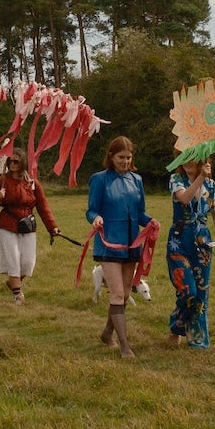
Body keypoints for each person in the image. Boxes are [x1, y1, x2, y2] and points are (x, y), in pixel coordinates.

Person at [86, 135, 150, 359]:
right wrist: (96, 218)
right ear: (111, 156)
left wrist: (151, 222)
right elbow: (91, 209)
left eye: (128, 157)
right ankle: (124, 346)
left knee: (123, 296)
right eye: (121, 157)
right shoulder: (99, 179)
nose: (125, 161)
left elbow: (140, 212)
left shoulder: (137, 180)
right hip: (109, 243)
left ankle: (107, 332)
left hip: (131, 244)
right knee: (117, 293)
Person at [166, 157, 215, 348]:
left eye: (192, 158)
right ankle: (177, 326)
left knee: (201, 291)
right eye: (184, 157)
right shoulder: (176, 179)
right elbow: (184, 198)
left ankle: (198, 340)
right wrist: (200, 177)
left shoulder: (211, 184)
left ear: (202, 159)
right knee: (187, 290)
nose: (188, 162)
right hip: (179, 239)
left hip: (203, 241)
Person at [0, 153, 61, 304]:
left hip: (27, 224)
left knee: (28, 262)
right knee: (12, 258)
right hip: (7, 224)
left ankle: (14, 282)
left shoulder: (32, 183)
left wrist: (52, 227)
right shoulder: (2, 180)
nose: (13, 164)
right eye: (11, 161)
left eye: (16, 161)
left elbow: (42, 206)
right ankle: (17, 293)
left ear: (23, 163)